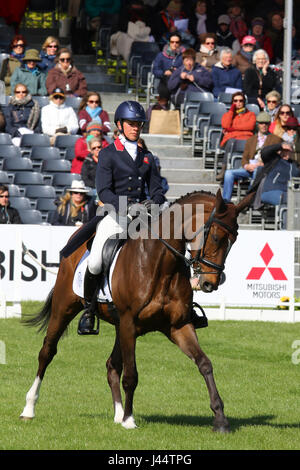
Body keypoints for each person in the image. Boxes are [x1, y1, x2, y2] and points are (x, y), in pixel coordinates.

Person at [77, 100, 166, 335]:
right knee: (95, 260)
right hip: (115, 215)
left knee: (171, 247)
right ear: (119, 125)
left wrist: (153, 203)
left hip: (143, 217)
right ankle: (88, 309)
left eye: (138, 124)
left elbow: (157, 189)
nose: (135, 127)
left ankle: (181, 304)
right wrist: (127, 207)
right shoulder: (108, 154)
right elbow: (104, 191)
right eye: (131, 123)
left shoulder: (147, 157)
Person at [222, 112, 282, 202]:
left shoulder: (276, 139)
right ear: (258, 124)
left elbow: (276, 158)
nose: (264, 125)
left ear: (269, 124)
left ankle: (248, 200)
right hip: (250, 168)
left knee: (257, 171)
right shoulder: (251, 140)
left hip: (264, 169)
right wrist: (247, 166)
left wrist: (262, 164)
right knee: (228, 173)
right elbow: (244, 157)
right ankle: (225, 201)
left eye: (266, 123)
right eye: (261, 123)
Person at [216, 91, 256, 182]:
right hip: (232, 140)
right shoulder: (228, 115)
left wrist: (232, 129)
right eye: (235, 101)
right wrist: (231, 111)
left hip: (246, 138)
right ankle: (224, 169)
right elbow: (225, 125)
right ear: (232, 103)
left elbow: (250, 126)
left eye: (240, 101)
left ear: (244, 102)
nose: (238, 103)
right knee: (231, 142)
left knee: (238, 141)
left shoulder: (251, 114)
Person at [152, 32, 185, 99]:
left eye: (177, 42)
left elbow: (186, 68)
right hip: (163, 79)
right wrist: (164, 72)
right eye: (172, 42)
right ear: (169, 43)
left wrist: (177, 71)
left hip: (178, 80)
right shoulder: (161, 55)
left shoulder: (183, 56)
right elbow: (155, 70)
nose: (174, 44)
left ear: (180, 43)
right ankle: (164, 102)